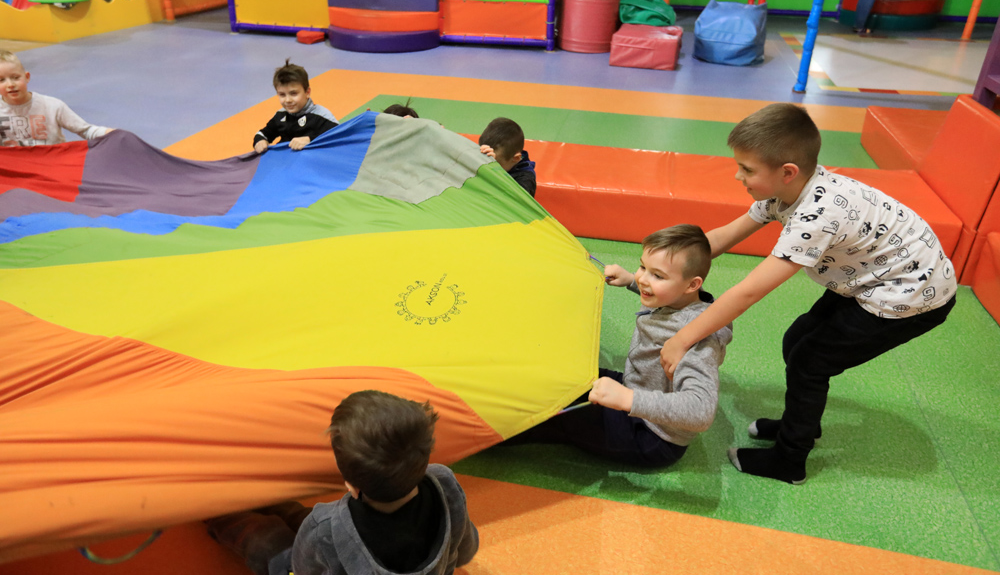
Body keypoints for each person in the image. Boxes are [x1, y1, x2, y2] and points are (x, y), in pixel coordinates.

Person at [658, 103, 956, 484]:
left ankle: (790, 460)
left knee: (810, 361)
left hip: (910, 295)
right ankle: (800, 422)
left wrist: (683, 338)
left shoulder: (816, 216)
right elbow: (720, 239)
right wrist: (664, 266)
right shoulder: (786, 192)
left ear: (787, 172)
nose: (737, 176)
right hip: (875, 276)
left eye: (747, 169)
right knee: (797, 339)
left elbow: (748, 293)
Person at [506, 225, 732, 468]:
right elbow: (662, 290)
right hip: (635, 386)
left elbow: (701, 410)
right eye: (643, 267)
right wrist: (630, 281)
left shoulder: (699, 340)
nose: (643, 278)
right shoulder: (683, 298)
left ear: (692, 285)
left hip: (651, 436)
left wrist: (628, 399)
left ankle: (492, 433)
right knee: (569, 374)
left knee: (555, 415)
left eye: (657, 276)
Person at [206, 390, 479, 575]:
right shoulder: (444, 482)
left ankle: (214, 510)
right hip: (333, 535)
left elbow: (302, 569)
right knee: (301, 519)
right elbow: (466, 549)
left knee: (265, 539)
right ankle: (263, 503)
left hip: (310, 553)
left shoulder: (323, 526)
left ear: (351, 486)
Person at [0, 50, 113, 147]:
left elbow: (85, 130)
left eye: (16, 77)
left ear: (27, 77)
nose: (10, 84)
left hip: (52, 161)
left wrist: (111, 134)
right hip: (15, 164)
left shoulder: (52, 106)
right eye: (1, 80)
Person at [253, 60, 338, 154]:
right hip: (287, 160)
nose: (288, 100)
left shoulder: (321, 116)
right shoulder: (281, 115)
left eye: (293, 93)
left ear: (307, 92)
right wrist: (260, 141)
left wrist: (310, 140)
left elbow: (339, 137)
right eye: (282, 95)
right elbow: (263, 133)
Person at [478, 117, 536, 198]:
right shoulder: (504, 159)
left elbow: (512, 201)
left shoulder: (525, 179)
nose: (488, 165)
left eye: (496, 163)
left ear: (516, 158)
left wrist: (494, 171)